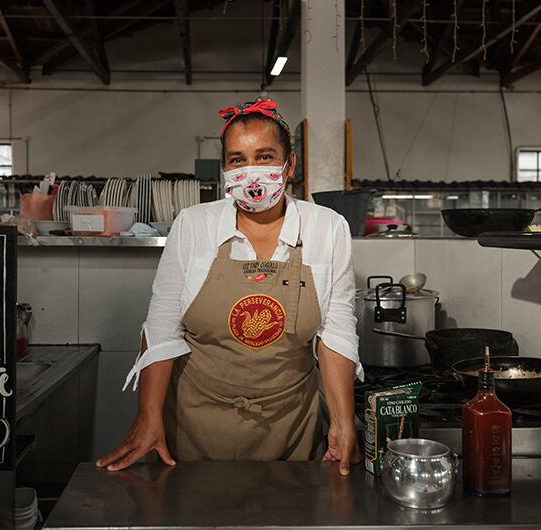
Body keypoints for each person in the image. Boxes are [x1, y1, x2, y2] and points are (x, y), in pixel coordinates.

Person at [97, 99, 362, 475]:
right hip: (195, 426)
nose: (251, 172)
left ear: (289, 165)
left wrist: (342, 421)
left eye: (264, 156)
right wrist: (148, 414)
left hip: (290, 427)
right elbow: (162, 326)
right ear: (225, 169)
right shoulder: (193, 225)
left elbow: (336, 333)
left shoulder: (327, 228)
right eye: (238, 160)